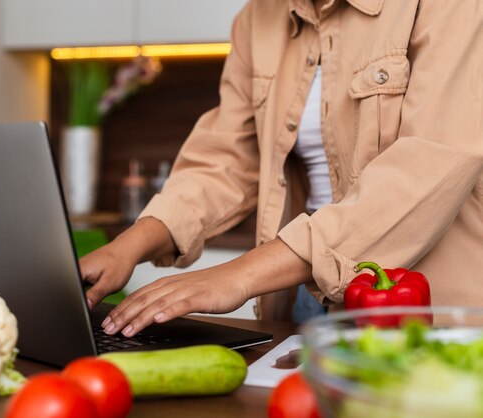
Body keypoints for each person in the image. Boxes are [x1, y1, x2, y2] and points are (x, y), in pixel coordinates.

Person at [80, 0, 483, 338]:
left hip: (427, 308)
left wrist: (238, 276)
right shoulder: (258, 17)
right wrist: (127, 247)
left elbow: (429, 165)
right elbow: (227, 159)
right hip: (305, 297)